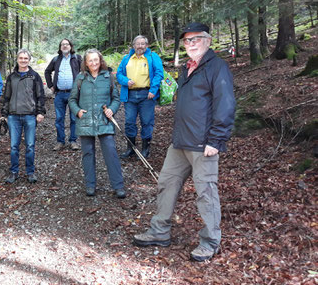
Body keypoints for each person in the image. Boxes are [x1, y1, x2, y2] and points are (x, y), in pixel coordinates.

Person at [132, 22, 236, 262]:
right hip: (180, 142)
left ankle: (210, 242)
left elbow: (226, 104)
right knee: (166, 184)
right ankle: (159, 232)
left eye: (195, 39)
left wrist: (217, 139)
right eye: (187, 41)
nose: (190, 44)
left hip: (203, 145)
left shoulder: (217, 67)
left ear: (207, 41)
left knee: (206, 193)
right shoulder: (186, 68)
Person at [68, 49, 126, 199]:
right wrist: (78, 111)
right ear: (86, 63)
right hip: (85, 122)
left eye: (96, 60)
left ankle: (118, 186)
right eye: (90, 60)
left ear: (100, 60)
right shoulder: (80, 78)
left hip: (104, 122)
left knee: (111, 153)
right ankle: (90, 185)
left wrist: (112, 110)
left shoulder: (108, 77)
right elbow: (72, 100)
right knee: (88, 154)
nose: (94, 63)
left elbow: (116, 99)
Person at [1, 49, 46, 184]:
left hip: (30, 116)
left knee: (30, 145)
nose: (23, 60)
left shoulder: (34, 76)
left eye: (26, 58)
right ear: (17, 59)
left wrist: (40, 112)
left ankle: (30, 172)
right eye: (21, 58)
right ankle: (14, 172)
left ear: (29, 60)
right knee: (14, 146)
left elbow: (40, 96)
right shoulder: (11, 77)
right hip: (13, 117)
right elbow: (7, 97)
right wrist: (4, 114)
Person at [116, 35, 164, 159]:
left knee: (146, 122)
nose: (140, 46)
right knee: (129, 122)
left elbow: (159, 74)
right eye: (138, 44)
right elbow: (119, 74)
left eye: (143, 43)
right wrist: (125, 81)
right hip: (130, 95)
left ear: (147, 45)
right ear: (133, 45)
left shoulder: (153, 57)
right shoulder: (127, 58)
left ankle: (145, 149)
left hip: (146, 95)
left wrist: (153, 90)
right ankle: (130, 148)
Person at [44, 39, 83, 151]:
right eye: (62, 44)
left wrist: (82, 85)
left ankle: (73, 141)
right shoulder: (56, 59)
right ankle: (60, 141)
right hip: (59, 94)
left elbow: (85, 72)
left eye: (67, 44)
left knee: (74, 118)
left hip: (73, 93)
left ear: (71, 46)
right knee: (59, 119)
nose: (65, 46)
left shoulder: (77, 58)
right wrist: (51, 85)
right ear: (60, 47)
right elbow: (47, 71)